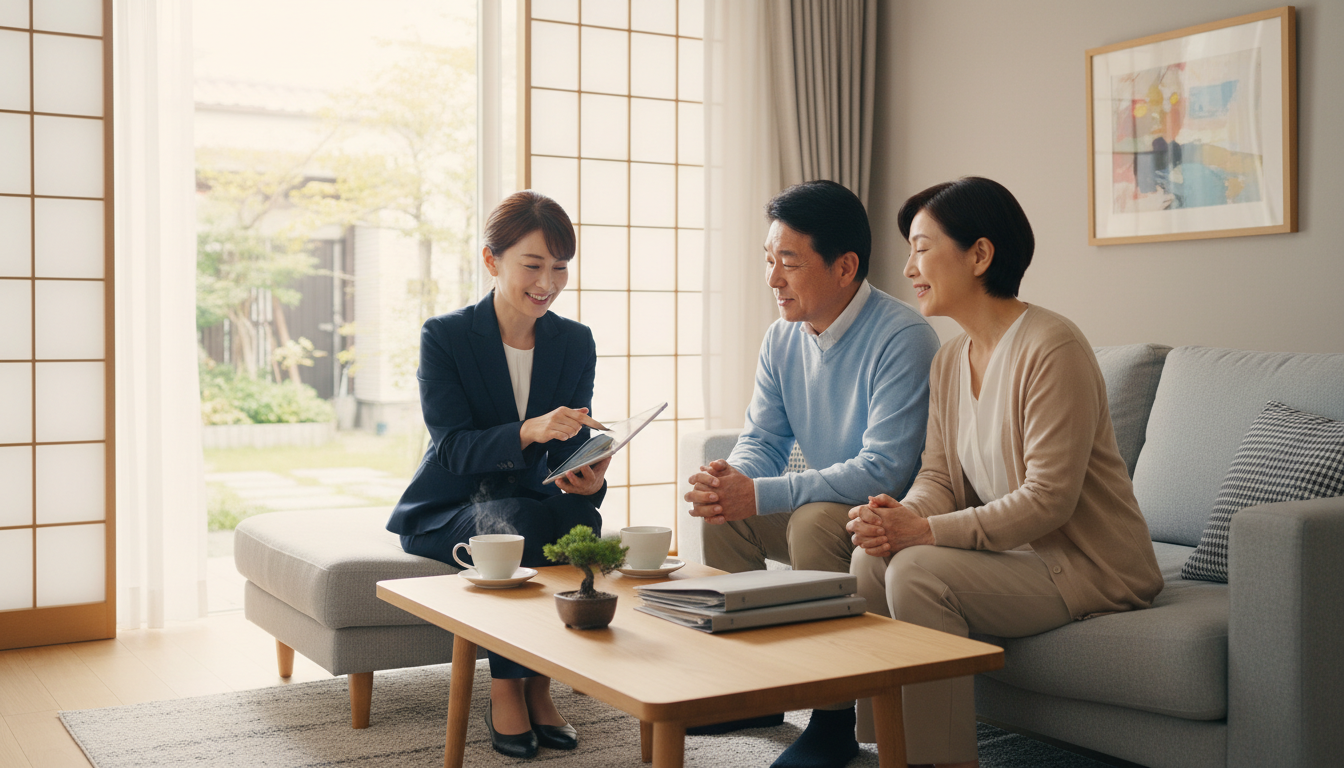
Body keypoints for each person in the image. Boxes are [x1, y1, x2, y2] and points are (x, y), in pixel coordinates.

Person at [846, 177, 1164, 768]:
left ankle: (939, 760)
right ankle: (891, 747)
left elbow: (1049, 499)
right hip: (1017, 554)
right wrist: (900, 517)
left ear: (980, 255)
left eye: (921, 248)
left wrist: (924, 533)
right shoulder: (949, 360)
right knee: (873, 556)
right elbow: (939, 478)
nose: (909, 268)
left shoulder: (1052, 347)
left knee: (916, 570)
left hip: (1088, 564)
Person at [683, 180, 941, 767]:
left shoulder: (903, 338)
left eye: (789, 262)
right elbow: (764, 440)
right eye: (768, 260)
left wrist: (760, 493)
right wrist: (732, 479)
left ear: (845, 267)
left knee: (815, 521)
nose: (773, 278)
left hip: (887, 519)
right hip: (830, 504)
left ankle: (832, 719)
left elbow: (883, 469)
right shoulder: (782, 338)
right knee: (724, 512)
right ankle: (751, 692)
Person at [386, 190, 610, 760]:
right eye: (532, 265)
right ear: (492, 260)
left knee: (578, 515)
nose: (548, 283)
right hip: (450, 507)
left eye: (560, 267)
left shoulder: (574, 341)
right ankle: (509, 688)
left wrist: (588, 476)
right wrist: (529, 430)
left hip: (530, 501)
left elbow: (569, 446)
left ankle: (540, 685)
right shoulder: (446, 336)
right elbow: (453, 449)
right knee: (517, 523)